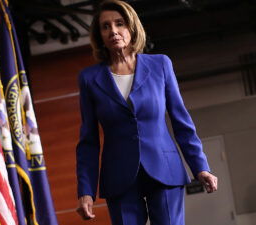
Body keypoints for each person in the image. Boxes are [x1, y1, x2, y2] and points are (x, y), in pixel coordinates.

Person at [75, 1, 218, 224]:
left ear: (132, 27)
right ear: (99, 35)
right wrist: (85, 190)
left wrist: (200, 167)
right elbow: (88, 141)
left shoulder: (160, 65)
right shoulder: (89, 79)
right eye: (105, 26)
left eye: (119, 24)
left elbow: (182, 122)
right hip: (119, 177)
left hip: (165, 170)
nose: (113, 31)